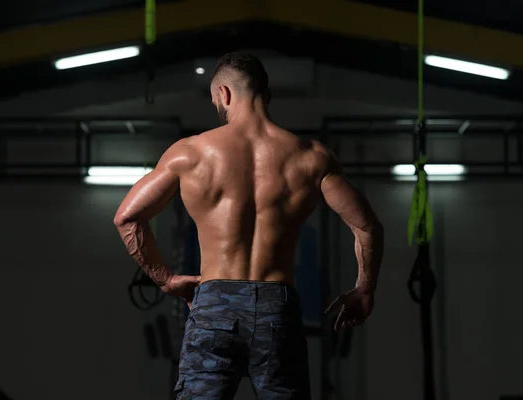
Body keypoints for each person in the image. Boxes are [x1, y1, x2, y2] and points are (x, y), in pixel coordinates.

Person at [114, 52, 384, 400]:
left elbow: (127, 217)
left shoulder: (189, 153)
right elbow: (368, 227)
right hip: (277, 306)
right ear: (266, 95)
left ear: (223, 93)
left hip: (213, 305)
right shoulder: (311, 157)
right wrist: (364, 291)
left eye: (216, 101)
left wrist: (165, 279)